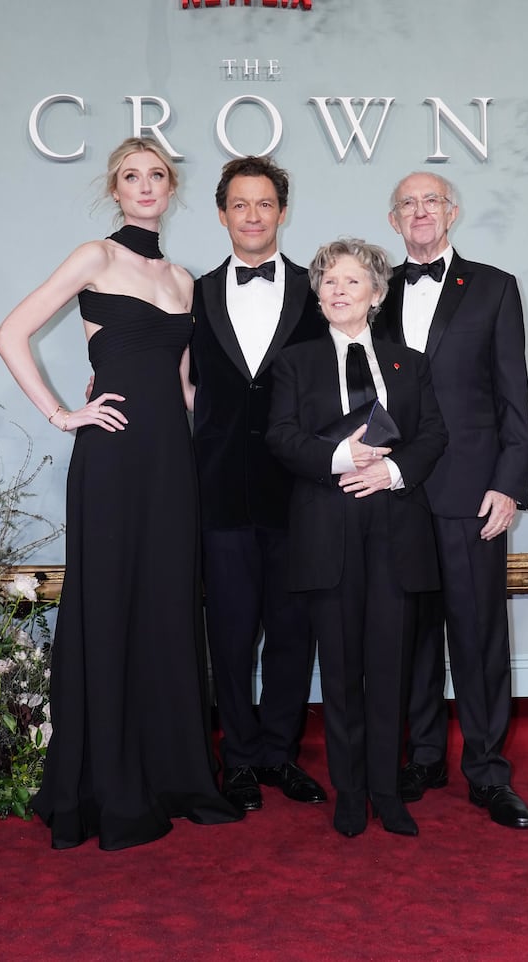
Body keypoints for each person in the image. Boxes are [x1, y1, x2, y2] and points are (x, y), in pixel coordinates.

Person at [0, 137, 241, 850]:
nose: (144, 186)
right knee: (109, 600)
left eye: (156, 175)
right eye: (131, 176)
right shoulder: (94, 257)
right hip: (112, 458)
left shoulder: (185, 279)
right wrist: (62, 414)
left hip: (172, 462)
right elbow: (11, 333)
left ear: (171, 188)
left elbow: (188, 388)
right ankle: (106, 782)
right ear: (115, 189)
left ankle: (175, 774)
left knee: (166, 603)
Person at [266, 239, 447, 838]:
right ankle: (350, 794)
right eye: (327, 283)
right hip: (327, 530)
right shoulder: (295, 363)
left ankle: (387, 793)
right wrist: (341, 456)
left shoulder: (409, 362)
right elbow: (281, 438)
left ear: (375, 294)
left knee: (389, 668)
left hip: (396, 530)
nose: (337, 291)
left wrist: (390, 471)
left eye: (350, 282)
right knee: (340, 671)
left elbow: (431, 436)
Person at [376, 171, 528, 830]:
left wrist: (510, 482)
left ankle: (489, 770)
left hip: (473, 492)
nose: (420, 212)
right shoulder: (372, 288)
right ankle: (421, 758)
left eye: (430, 201)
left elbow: (512, 399)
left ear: (453, 212)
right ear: (394, 220)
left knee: (478, 635)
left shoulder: (494, 287)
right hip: (393, 492)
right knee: (409, 636)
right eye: (408, 204)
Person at [191, 155, 328, 812]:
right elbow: (172, 379)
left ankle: (280, 754)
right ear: (222, 214)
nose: (251, 215)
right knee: (231, 634)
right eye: (239, 204)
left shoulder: (321, 290)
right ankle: (238, 759)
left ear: (281, 212)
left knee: (293, 630)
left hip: (299, 495)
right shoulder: (190, 293)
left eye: (264, 204)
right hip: (218, 490)